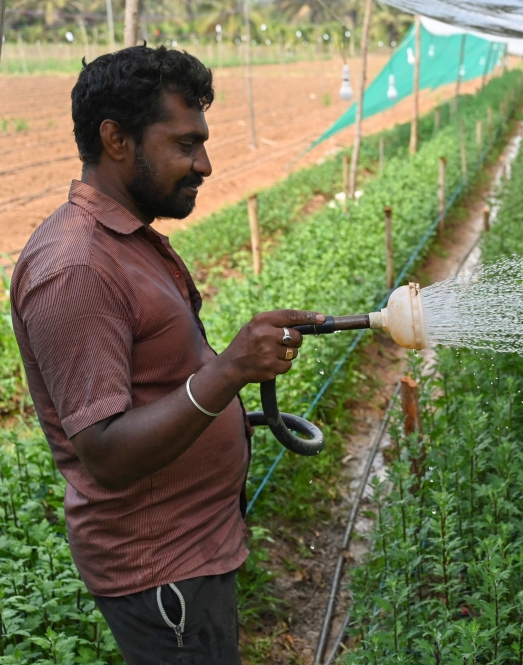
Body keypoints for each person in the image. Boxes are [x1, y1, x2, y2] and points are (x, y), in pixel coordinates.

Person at [10, 45, 315, 664]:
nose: (204, 163)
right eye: (184, 144)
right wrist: (230, 370)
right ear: (116, 139)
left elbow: (156, 380)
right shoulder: (75, 268)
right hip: (161, 576)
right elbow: (106, 455)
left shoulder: (126, 238)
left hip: (194, 551)